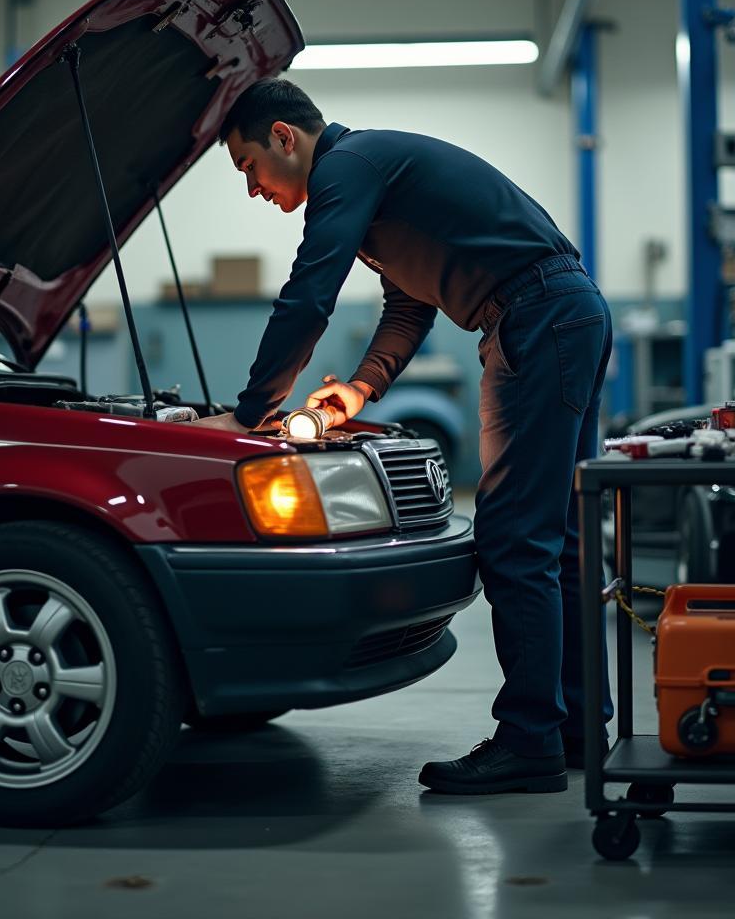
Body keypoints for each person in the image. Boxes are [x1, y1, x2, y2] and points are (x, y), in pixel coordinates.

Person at [194, 77, 614, 794]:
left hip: (537, 320)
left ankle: (529, 741)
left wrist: (252, 407)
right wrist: (359, 389)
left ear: (285, 139)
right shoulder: (376, 176)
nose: (252, 189)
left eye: (247, 167)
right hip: (564, 313)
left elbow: (310, 291)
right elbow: (408, 307)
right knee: (557, 540)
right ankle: (575, 729)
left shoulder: (345, 169)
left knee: (515, 538)